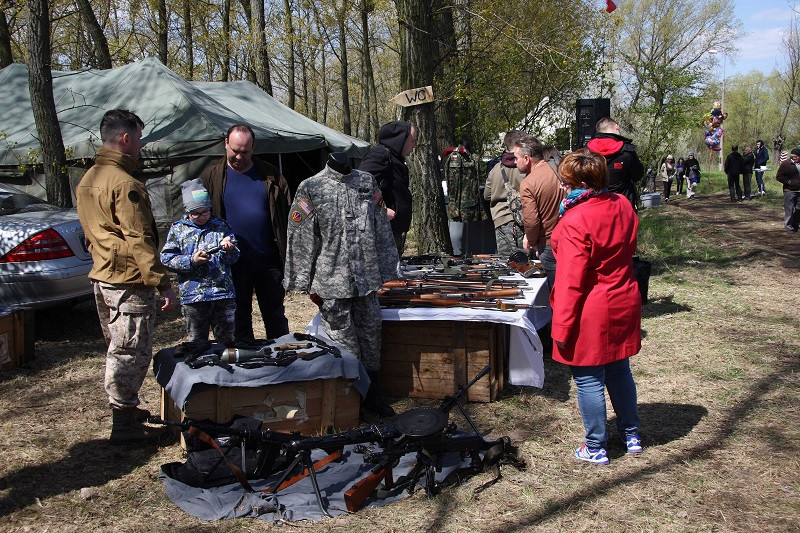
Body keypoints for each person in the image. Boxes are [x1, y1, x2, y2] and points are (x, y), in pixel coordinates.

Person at [76, 109, 177, 446]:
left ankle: (127, 411)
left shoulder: (89, 178)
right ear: (126, 138)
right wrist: (162, 282)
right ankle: (124, 425)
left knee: (118, 348)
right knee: (130, 351)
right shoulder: (124, 183)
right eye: (139, 138)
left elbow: (92, 233)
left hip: (103, 277)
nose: (140, 145)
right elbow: (138, 238)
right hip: (128, 282)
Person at [283, 153, 400, 416]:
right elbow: (301, 234)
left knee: (372, 338)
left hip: (366, 279)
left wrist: (387, 267)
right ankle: (351, 403)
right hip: (332, 282)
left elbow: (380, 224)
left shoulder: (367, 183)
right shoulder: (311, 187)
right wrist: (300, 278)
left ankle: (372, 396)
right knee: (345, 345)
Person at [549, 148, 642, 465]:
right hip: (623, 296)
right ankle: (631, 434)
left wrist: (560, 326)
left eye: (565, 181)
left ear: (576, 183)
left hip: (593, 306)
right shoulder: (622, 203)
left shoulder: (575, 219)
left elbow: (570, 281)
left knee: (589, 378)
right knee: (619, 369)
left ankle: (596, 446)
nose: (562, 187)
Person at [200, 125, 291, 343]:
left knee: (275, 316)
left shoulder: (271, 176)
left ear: (253, 148)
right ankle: (245, 364)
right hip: (231, 262)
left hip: (268, 260)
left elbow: (287, 216)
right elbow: (197, 219)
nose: (239, 156)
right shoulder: (211, 176)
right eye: (235, 150)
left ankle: (284, 364)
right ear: (225, 143)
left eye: (245, 152)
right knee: (237, 318)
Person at [160, 179, 240, 346]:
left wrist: (229, 249)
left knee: (227, 343)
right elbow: (166, 258)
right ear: (188, 211)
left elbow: (233, 259)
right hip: (194, 298)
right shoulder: (178, 229)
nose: (202, 217)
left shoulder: (221, 226)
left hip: (222, 294)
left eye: (206, 212)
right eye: (196, 213)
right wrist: (191, 261)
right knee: (197, 344)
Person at [357, 121, 417, 256]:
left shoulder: (394, 158)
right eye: (412, 141)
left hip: (392, 231)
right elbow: (357, 185)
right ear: (401, 139)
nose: (414, 146)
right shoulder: (380, 156)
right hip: (381, 232)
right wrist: (381, 209)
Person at [515, 134, 564, 289]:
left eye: (516, 158)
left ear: (527, 158)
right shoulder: (559, 169)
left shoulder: (528, 183)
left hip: (549, 244)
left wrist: (531, 240)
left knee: (556, 294)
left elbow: (531, 220)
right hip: (570, 239)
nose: (515, 162)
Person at [585, 117, 645, 209]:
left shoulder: (586, 152)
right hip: (623, 205)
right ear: (617, 127)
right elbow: (638, 175)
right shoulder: (626, 150)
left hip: (594, 205)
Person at [483, 131, 526, 256]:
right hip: (520, 220)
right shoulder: (524, 167)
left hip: (499, 220)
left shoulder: (495, 169)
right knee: (523, 262)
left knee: (505, 264)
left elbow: (486, 195)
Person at [775, 147, 800, 232]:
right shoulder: (786, 164)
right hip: (789, 190)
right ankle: (788, 226)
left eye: (797, 156)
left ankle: (796, 224)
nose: (795, 158)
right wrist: (788, 182)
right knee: (789, 209)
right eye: (793, 156)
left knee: (798, 209)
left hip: (799, 190)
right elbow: (779, 177)